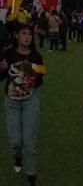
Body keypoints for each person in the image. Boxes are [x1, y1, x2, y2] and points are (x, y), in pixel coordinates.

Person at [1, 23, 45, 186]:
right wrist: (2, 68)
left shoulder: (36, 57)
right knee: (16, 141)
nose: (27, 37)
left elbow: (40, 80)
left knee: (29, 142)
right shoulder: (8, 54)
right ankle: (17, 157)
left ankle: (31, 176)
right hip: (11, 102)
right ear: (17, 36)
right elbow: (2, 77)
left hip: (29, 101)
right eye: (23, 33)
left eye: (29, 34)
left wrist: (33, 76)